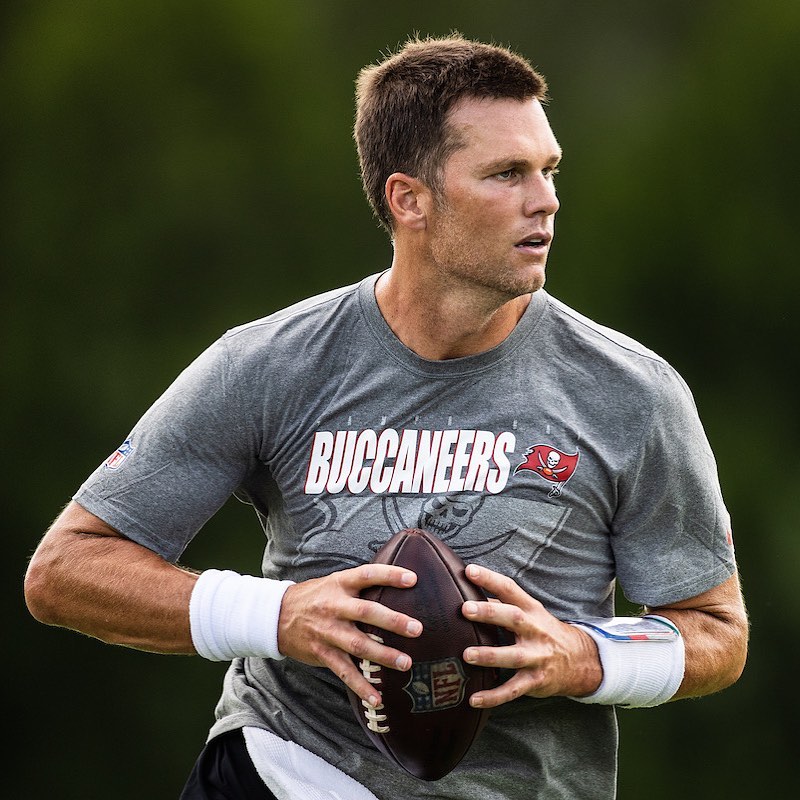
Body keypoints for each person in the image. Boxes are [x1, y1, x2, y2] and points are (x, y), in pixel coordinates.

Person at [24, 33, 748, 800]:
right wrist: (280, 615)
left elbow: (717, 630)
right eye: (506, 174)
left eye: (549, 169)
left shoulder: (632, 393)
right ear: (410, 200)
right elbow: (66, 570)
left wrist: (583, 656)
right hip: (286, 773)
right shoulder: (268, 365)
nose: (546, 200)